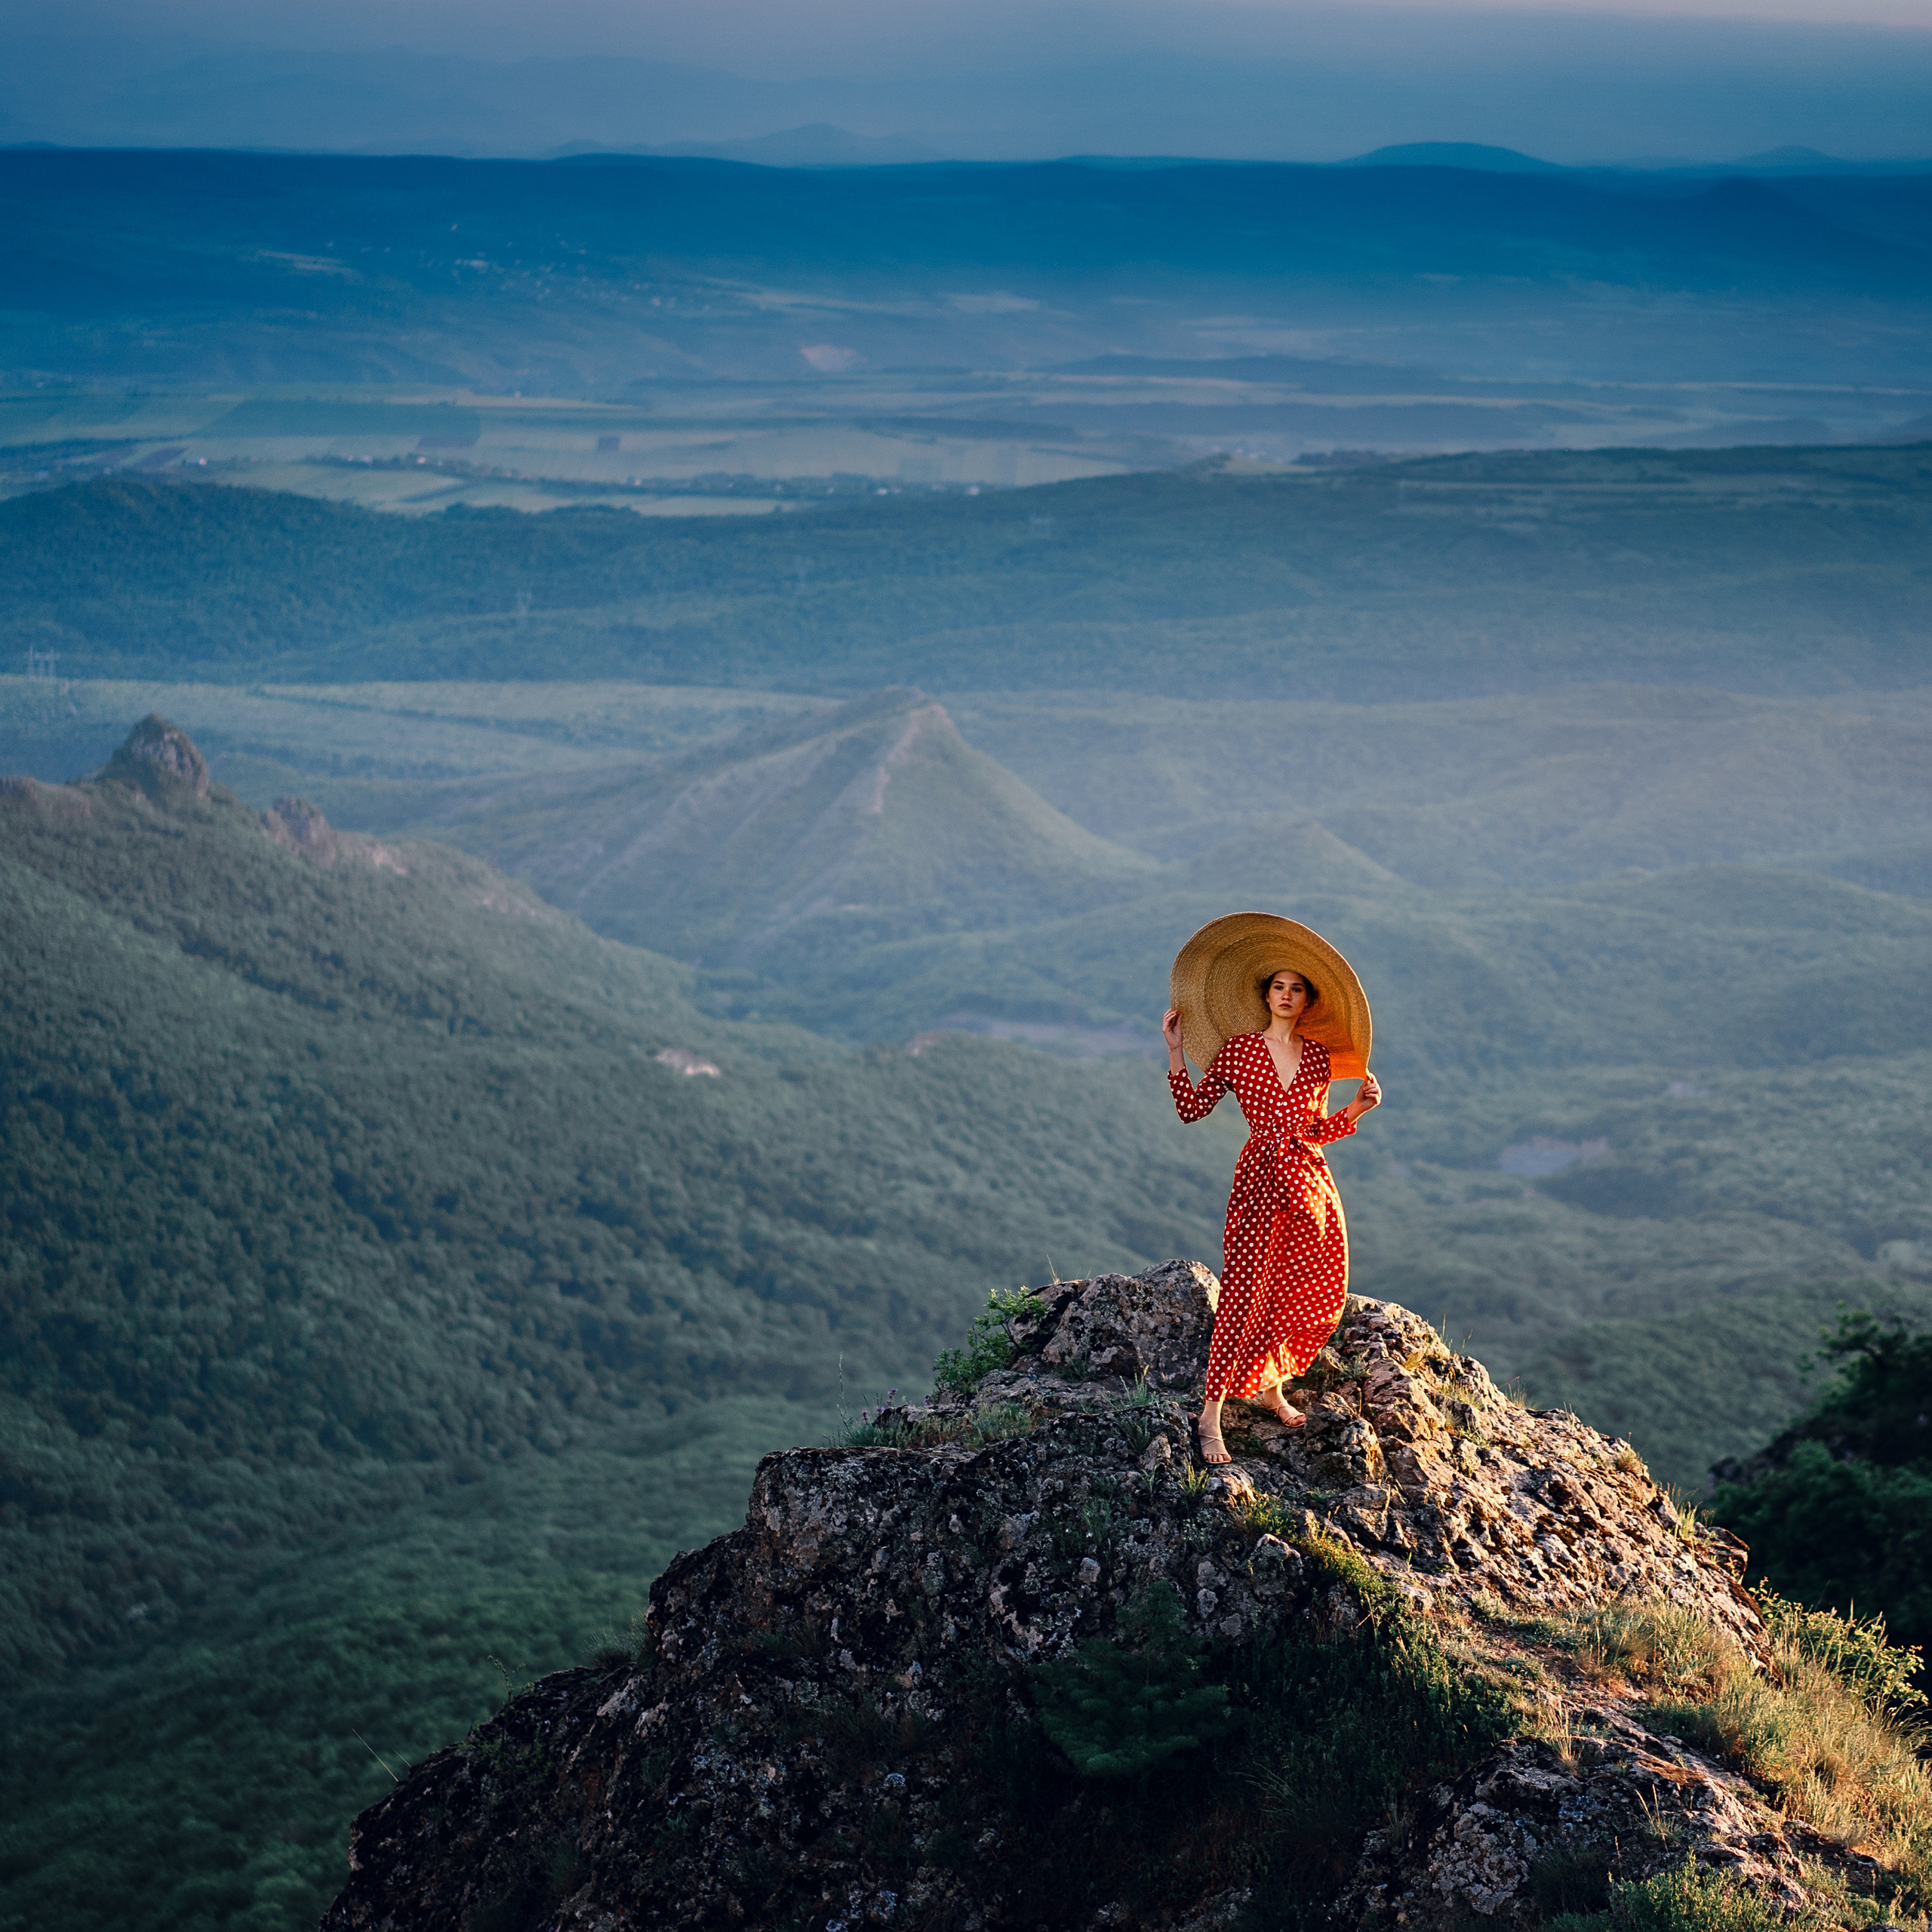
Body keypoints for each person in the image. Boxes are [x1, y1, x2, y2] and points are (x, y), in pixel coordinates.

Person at [1164, 955, 1382, 1466]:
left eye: (1296, 989)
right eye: (1278, 986)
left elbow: (1316, 1130)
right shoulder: (1239, 1050)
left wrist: (1357, 1109)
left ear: (1307, 1001)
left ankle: (1271, 1387)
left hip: (1310, 1184)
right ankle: (1211, 1416)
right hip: (1259, 1182)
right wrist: (1175, 1050)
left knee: (1305, 1288)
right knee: (1243, 1293)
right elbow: (1191, 1110)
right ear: (1266, 995)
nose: (1286, 994)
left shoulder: (1318, 1057)